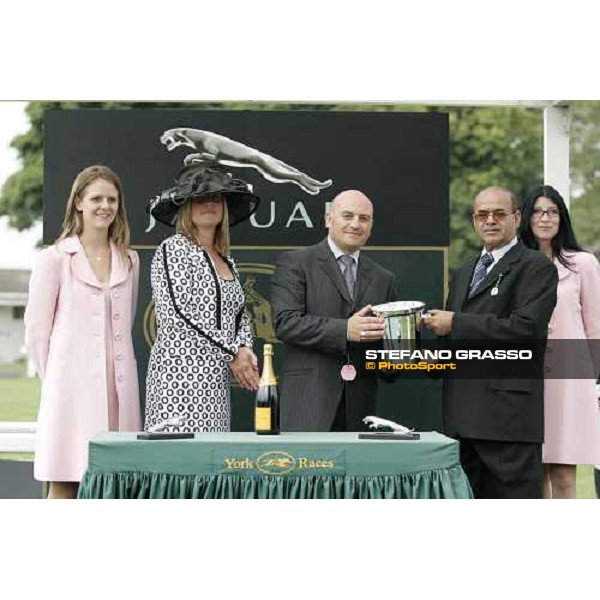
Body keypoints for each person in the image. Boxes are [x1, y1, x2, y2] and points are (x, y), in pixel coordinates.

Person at [423, 186, 558, 499]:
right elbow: (452, 344)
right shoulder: (463, 272)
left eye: (499, 213)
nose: (490, 220)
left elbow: (525, 330)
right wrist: (417, 354)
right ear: (474, 220)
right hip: (460, 422)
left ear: (516, 217)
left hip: (507, 422)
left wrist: (455, 322)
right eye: (482, 214)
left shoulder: (536, 267)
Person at [24, 165, 141, 499]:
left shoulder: (130, 261)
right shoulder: (54, 259)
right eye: (96, 198)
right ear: (78, 203)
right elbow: (36, 332)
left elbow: (125, 320)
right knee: (66, 480)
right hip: (70, 391)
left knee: (116, 484)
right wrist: (59, 380)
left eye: (112, 199)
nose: (105, 206)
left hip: (120, 389)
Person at [144, 162, 260, 433]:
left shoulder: (227, 258)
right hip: (178, 376)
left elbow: (240, 314)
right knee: (180, 462)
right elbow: (177, 314)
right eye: (201, 199)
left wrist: (244, 348)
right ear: (186, 206)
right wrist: (233, 352)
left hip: (216, 379)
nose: (210, 204)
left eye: (216, 198)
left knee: (211, 459)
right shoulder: (173, 249)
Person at [270, 189, 396, 432]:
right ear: (329, 219)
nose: (355, 224)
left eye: (363, 218)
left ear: (371, 226)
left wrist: (404, 345)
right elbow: (286, 323)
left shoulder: (384, 279)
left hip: (361, 409)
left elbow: (388, 361)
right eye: (347, 216)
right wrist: (345, 330)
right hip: (308, 404)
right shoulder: (295, 263)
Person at [519, 184, 600, 499]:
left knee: (565, 475)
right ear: (527, 217)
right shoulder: (516, 264)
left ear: (562, 218)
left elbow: (595, 327)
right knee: (534, 473)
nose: (545, 218)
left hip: (570, 380)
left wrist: (594, 381)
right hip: (528, 377)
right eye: (538, 211)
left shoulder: (584, 264)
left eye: (553, 212)